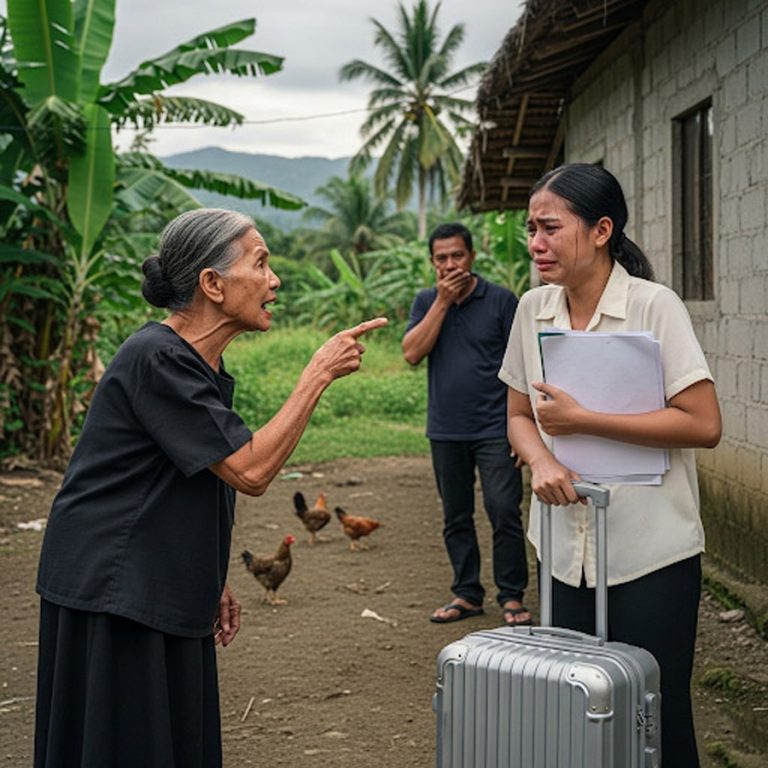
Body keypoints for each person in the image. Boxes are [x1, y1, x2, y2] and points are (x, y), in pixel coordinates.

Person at [34, 208, 387, 768]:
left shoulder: (197, 366)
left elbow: (190, 479)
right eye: (261, 263)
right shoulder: (156, 357)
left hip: (156, 579)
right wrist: (317, 372)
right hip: (114, 589)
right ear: (213, 284)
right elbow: (249, 470)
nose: (274, 280)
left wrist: (207, 574)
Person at [498, 163, 721, 767]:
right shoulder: (532, 309)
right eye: (531, 230)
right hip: (562, 553)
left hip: (650, 552)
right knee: (576, 714)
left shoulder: (654, 306)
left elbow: (703, 423)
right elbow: (517, 414)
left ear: (601, 231)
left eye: (550, 228)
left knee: (656, 715)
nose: (536, 243)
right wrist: (541, 460)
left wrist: (585, 420)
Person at [402, 222, 530, 626]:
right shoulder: (426, 301)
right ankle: (467, 593)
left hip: (496, 428)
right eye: (441, 258)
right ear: (432, 262)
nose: (450, 264)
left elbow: (524, 365)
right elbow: (411, 353)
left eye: (457, 255)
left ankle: (512, 596)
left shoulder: (501, 301)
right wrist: (442, 302)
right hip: (445, 429)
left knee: (503, 509)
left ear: (472, 257)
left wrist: (523, 428)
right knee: (455, 516)